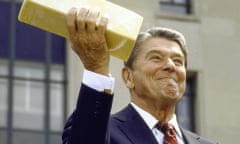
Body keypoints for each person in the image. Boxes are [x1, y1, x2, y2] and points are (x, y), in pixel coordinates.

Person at [62, 7, 216, 144]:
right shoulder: (104, 133)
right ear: (128, 77)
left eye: (178, 61)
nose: (170, 66)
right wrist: (96, 67)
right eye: (156, 58)